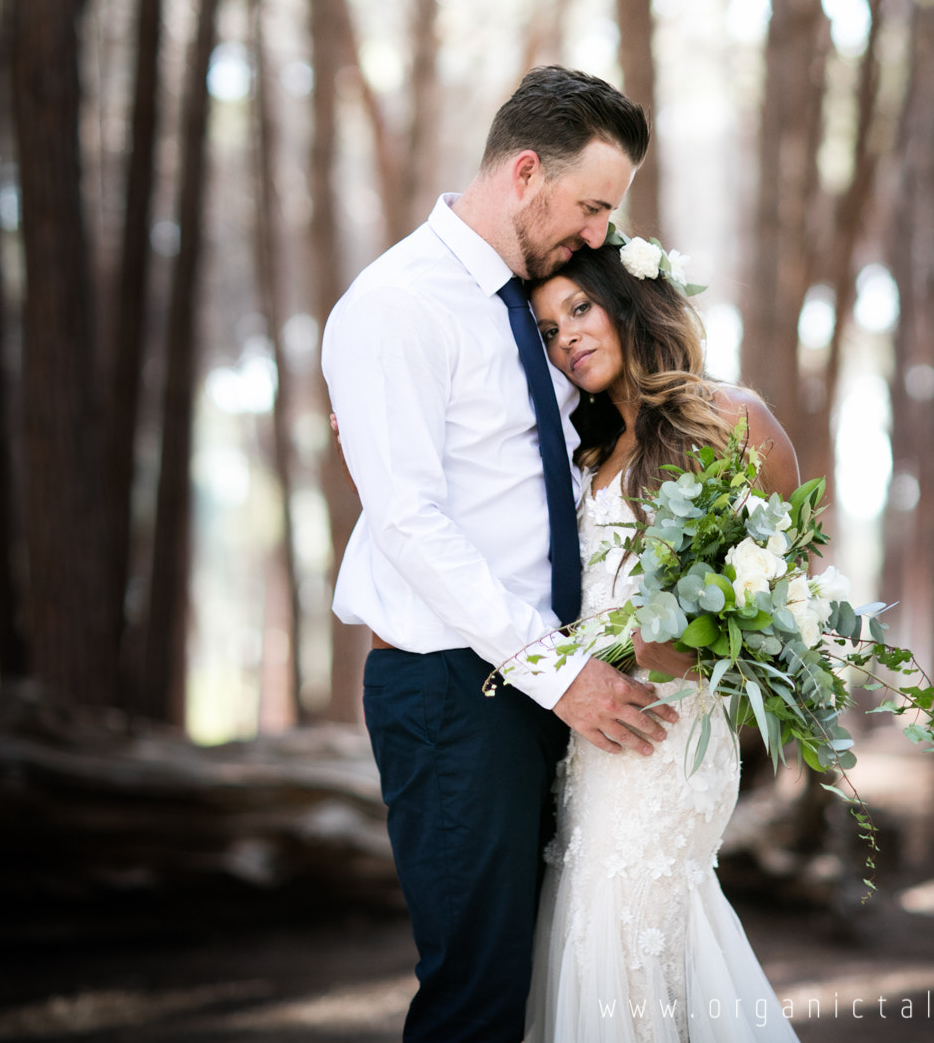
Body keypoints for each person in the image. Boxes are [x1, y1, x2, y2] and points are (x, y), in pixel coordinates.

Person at [322, 67, 682, 1043]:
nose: (600, 234)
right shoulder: (398, 305)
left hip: (534, 686)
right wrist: (560, 673)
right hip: (454, 694)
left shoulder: (531, 301)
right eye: (592, 206)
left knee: (540, 991)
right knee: (476, 1000)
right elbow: (410, 522)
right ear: (526, 172)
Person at [523, 240, 801, 1042]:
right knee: (585, 926)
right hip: (590, 737)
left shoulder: (733, 417)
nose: (567, 336)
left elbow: (786, 584)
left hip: (673, 735)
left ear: (630, 301)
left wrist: (699, 641)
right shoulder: (588, 452)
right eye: (547, 329)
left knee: (633, 927)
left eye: (580, 308)